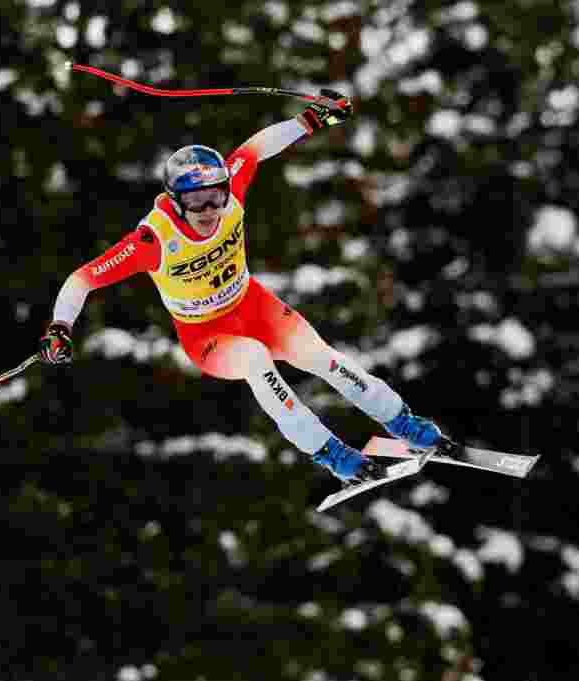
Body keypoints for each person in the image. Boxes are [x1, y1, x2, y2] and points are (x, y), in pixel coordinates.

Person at [39, 90, 446, 485]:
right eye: (196, 202)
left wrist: (313, 119)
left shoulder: (229, 197)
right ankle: (331, 453)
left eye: (216, 197)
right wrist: (60, 326)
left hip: (253, 305)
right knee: (254, 359)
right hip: (208, 335)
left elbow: (256, 147)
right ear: (176, 201)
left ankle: (402, 421)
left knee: (322, 358)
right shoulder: (153, 241)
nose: (209, 211)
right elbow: (82, 279)